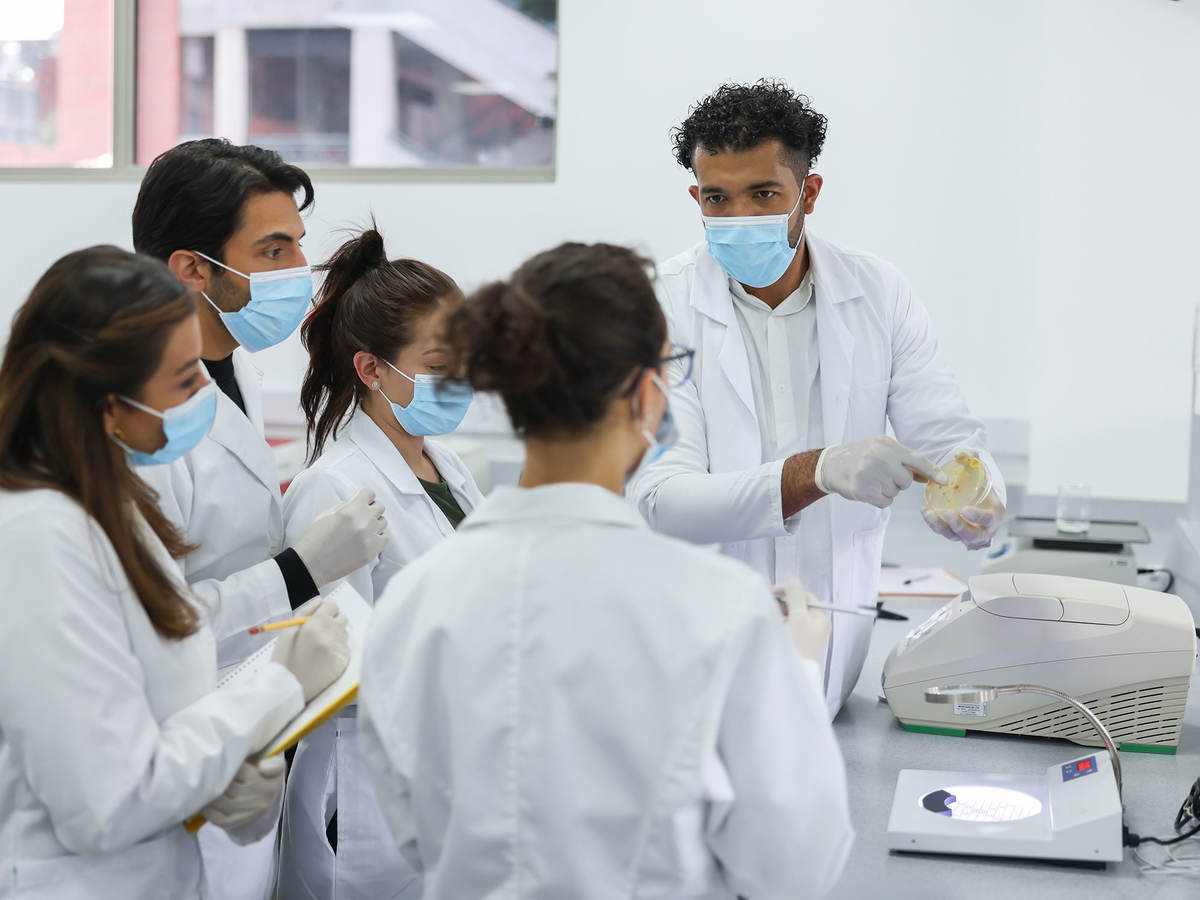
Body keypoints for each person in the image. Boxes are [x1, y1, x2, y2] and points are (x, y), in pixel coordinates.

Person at [358, 243, 854, 898]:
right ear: (648, 393)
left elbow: (415, 835)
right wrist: (796, 670)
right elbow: (792, 865)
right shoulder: (718, 609)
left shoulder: (415, 599)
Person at [627, 80, 1007, 716]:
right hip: (695, 653)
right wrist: (821, 470)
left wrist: (979, 485)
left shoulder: (878, 292)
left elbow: (945, 435)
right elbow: (663, 502)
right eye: (717, 198)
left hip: (835, 644)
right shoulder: (657, 304)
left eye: (764, 194)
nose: (739, 218)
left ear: (809, 192)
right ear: (695, 196)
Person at [0, 246, 350, 899]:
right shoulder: (37, 537)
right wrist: (273, 688)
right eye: (186, 378)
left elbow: (154, 717)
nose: (204, 397)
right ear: (107, 405)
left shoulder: (114, 509)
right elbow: (106, 803)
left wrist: (232, 774)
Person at [131, 139, 387, 900]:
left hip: (244, 736)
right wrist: (298, 571)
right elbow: (148, 620)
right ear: (192, 269)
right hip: (167, 746)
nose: (295, 273)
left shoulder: (231, 361)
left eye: (297, 248)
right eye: (271, 250)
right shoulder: (140, 416)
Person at [277, 227, 482, 899]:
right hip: (365, 788)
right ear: (372, 369)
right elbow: (331, 666)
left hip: (442, 773)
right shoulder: (333, 487)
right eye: (439, 360)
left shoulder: (445, 465)